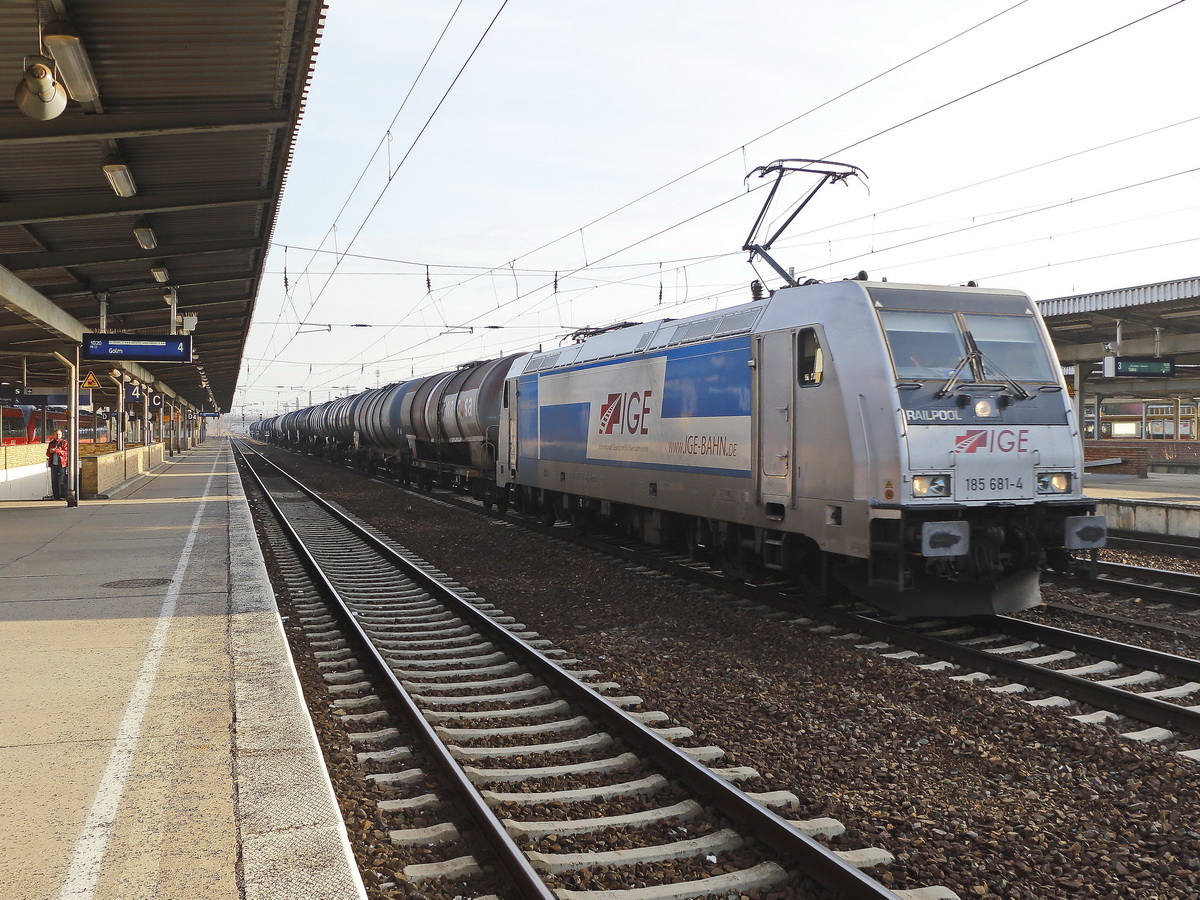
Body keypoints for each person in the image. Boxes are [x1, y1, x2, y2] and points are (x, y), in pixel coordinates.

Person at [46, 428, 69, 501]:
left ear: (61, 435)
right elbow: (47, 454)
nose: (57, 436)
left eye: (59, 434)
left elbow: (65, 453)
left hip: (62, 464)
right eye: (56, 434)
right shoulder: (51, 443)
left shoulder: (64, 442)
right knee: (54, 480)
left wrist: (56, 450)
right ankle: (56, 496)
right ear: (54, 435)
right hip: (53, 464)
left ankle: (63, 495)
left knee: (62, 481)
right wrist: (50, 451)